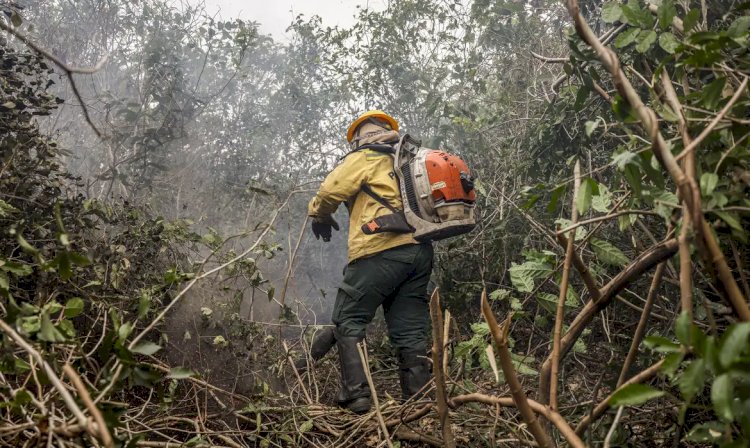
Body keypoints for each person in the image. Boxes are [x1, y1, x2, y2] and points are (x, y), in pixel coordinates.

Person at [307, 110, 433, 414]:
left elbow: (329, 191)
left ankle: (357, 396)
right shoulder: (407, 159)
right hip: (419, 251)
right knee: (410, 330)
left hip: (380, 247)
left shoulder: (365, 156)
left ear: (360, 138)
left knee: (349, 319)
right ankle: (420, 402)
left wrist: (320, 215)